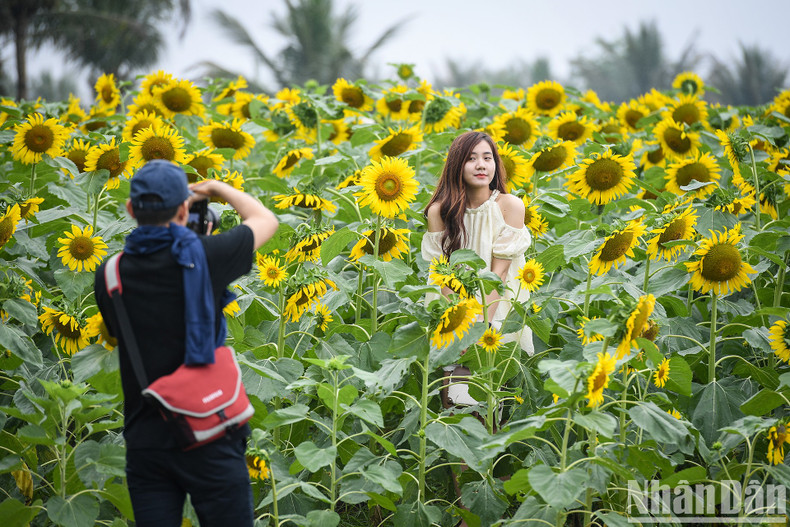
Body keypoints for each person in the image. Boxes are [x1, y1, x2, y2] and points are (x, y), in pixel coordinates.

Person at [94, 160, 278, 527]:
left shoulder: (110, 272)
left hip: (146, 438)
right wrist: (217, 189)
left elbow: (114, 335)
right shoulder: (206, 258)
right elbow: (264, 219)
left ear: (131, 210)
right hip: (210, 429)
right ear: (183, 208)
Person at [421, 130, 534, 407]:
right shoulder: (440, 211)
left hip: (497, 311)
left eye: (487, 158)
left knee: (489, 402)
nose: (481, 165)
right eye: (471, 159)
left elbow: (499, 276)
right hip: (453, 312)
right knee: (452, 401)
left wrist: (479, 329)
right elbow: (443, 276)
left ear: (496, 165)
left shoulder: (509, 206)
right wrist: (458, 328)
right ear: (457, 165)